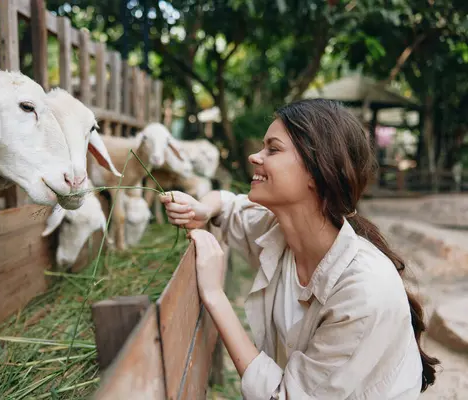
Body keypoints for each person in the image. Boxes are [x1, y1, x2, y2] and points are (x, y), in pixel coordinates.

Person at [159, 99, 439, 399]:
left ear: (316, 172)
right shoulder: (278, 233)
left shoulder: (363, 290)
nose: (255, 156)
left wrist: (214, 295)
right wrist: (203, 208)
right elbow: (227, 205)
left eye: (273, 149)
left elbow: (287, 396)